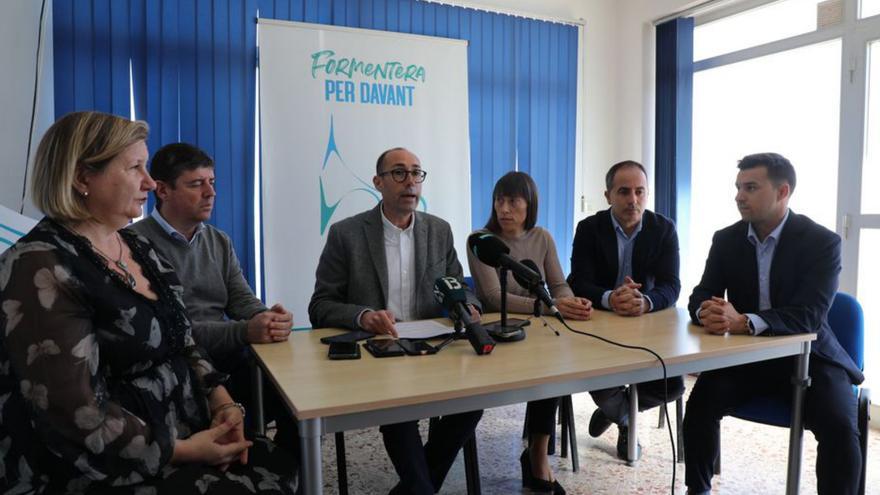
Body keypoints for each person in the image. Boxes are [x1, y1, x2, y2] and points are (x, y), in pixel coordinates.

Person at [0, 111, 296, 494]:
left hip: (183, 429)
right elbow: (73, 413)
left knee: (281, 463)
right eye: (135, 167)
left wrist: (223, 403)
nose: (150, 181)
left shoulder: (135, 246)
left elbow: (183, 337)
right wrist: (186, 450)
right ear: (82, 178)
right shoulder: (38, 265)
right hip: (104, 464)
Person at [683, 153, 863, 495]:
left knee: (840, 427)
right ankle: (699, 489)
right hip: (748, 358)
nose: (739, 196)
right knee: (700, 404)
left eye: (750, 187)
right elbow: (700, 295)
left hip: (810, 357)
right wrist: (708, 311)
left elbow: (809, 314)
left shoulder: (822, 243)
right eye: (738, 187)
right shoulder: (726, 239)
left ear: (783, 192)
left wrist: (745, 321)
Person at [308, 147, 483, 495]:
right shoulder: (347, 234)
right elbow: (321, 305)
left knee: (473, 402)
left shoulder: (439, 231)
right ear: (378, 182)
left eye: (416, 173)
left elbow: (461, 289)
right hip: (380, 352)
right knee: (398, 410)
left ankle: (413, 490)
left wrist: (470, 308)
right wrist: (363, 315)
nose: (410, 182)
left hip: (433, 349)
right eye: (399, 173)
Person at [128, 143, 297, 451]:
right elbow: (174, 331)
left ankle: (289, 473)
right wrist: (245, 330)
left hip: (227, 353)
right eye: (196, 184)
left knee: (297, 399)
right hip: (179, 365)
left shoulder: (218, 240)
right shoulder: (135, 245)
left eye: (212, 182)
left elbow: (241, 299)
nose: (211, 192)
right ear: (163, 190)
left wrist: (267, 318)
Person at [467, 171, 591, 494]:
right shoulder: (480, 241)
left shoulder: (543, 238)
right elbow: (494, 299)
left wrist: (568, 302)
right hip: (497, 336)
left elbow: (559, 284)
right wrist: (547, 307)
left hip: (536, 337)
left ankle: (537, 455)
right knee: (543, 366)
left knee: (550, 370)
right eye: (499, 200)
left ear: (529, 204)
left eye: (513, 201)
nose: (504, 209)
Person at [567, 160, 685, 460]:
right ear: (608, 195)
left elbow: (672, 285)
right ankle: (624, 420)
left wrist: (645, 301)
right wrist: (610, 298)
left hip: (645, 325)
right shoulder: (589, 229)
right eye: (623, 192)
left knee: (673, 386)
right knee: (598, 378)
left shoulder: (664, 229)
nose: (633, 200)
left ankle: (613, 410)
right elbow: (578, 282)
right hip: (599, 326)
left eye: (639, 191)